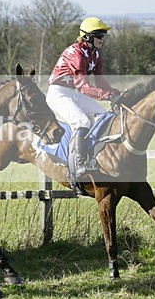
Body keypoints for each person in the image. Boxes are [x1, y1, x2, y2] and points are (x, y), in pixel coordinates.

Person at [46, 16, 120, 182]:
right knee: (82, 122)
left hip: (73, 93)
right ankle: (79, 164)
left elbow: (100, 82)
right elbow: (83, 87)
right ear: (87, 36)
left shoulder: (96, 55)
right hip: (58, 93)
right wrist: (106, 95)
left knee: (104, 117)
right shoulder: (76, 54)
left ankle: (95, 156)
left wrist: (116, 93)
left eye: (103, 35)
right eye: (99, 35)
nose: (102, 39)